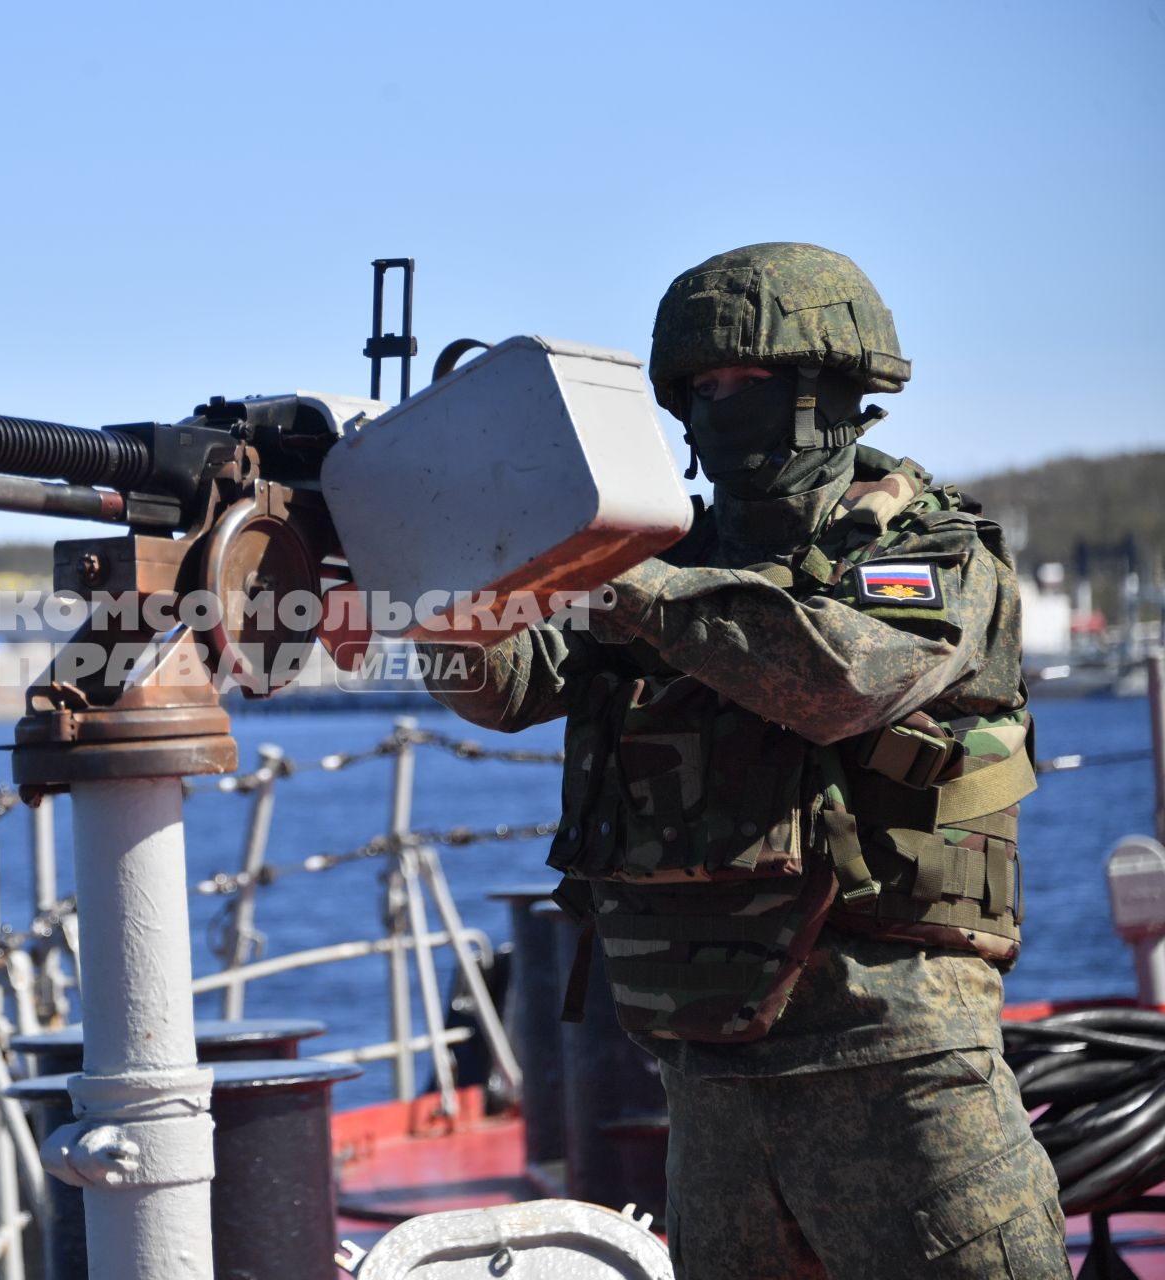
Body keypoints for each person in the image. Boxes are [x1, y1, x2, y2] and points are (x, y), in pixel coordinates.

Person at [425, 242, 1069, 1277]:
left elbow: (838, 680)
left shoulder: (926, 548)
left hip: (898, 1063)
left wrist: (616, 574)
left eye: (747, 382)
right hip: (709, 1077)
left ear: (829, 389)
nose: (719, 407)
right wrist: (441, 563)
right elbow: (505, 686)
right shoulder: (664, 556)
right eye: (702, 387)